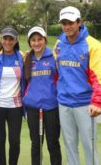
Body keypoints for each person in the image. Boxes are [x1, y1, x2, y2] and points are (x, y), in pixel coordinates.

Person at [53, 6, 101, 165]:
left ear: (79, 22)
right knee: (70, 146)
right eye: (64, 23)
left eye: (70, 22)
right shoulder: (59, 43)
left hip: (85, 105)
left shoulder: (92, 45)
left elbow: (99, 78)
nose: (67, 26)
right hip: (64, 103)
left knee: (89, 147)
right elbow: (57, 73)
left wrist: (98, 101)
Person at [0, 27, 25, 165]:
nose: (8, 42)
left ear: (16, 40)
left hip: (16, 106)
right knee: (0, 140)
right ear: (1, 39)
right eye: (5, 38)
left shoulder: (22, 57)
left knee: (15, 141)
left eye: (11, 39)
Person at [23, 26, 62, 165]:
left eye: (39, 39)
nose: (36, 43)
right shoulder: (26, 59)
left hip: (51, 107)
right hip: (33, 107)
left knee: (53, 143)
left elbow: (60, 80)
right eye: (33, 40)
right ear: (29, 42)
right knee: (36, 144)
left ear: (45, 40)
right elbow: (23, 84)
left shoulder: (54, 57)